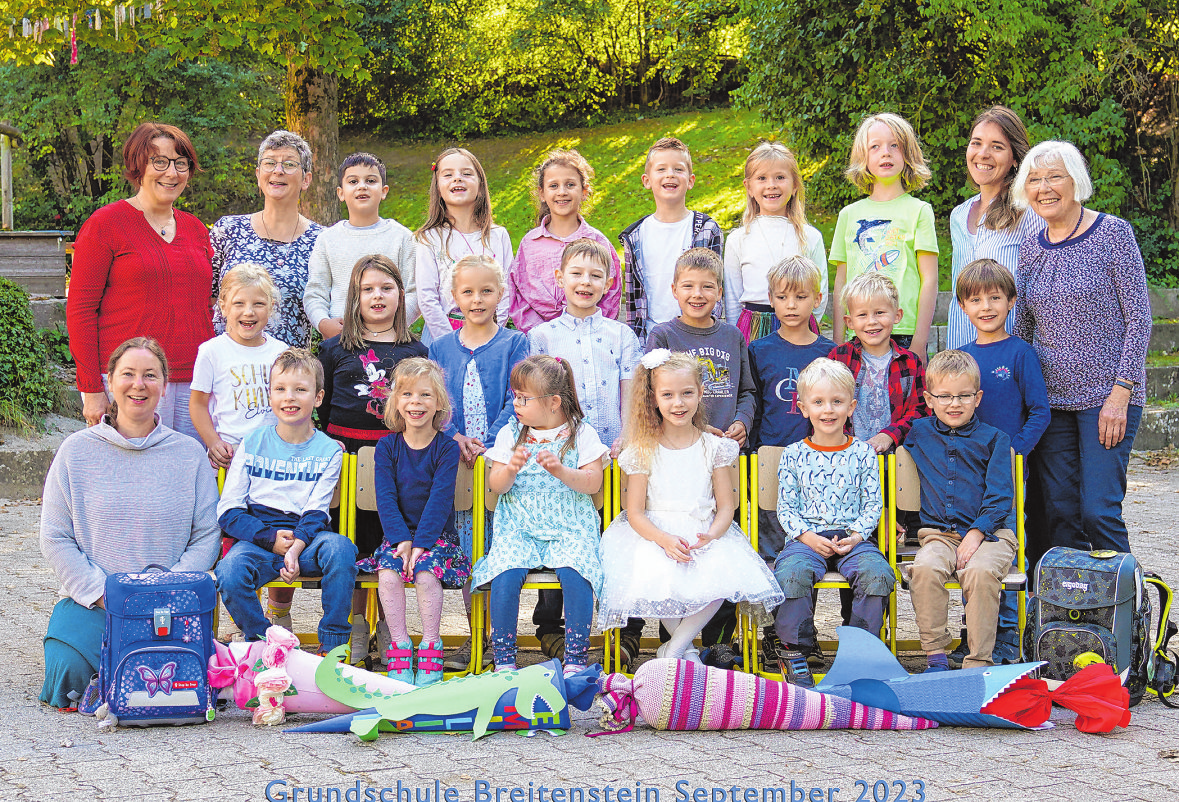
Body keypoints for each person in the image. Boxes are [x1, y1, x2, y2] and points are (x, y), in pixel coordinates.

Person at [40, 338, 220, 709]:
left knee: (179, 683)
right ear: (109, 382)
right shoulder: (76, 450)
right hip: (96, 603)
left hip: (168, 605)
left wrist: (169, 589)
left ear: (165, 386)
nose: (139, 384)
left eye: (150, 375)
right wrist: (102, 592)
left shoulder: (189, 454)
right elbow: (55, 537)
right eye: (128, 374)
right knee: (69, 675)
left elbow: (206, 535)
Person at [1013, 140, 1150, 564]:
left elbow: (1139, 320)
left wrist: (1121, 392)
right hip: (1052, 404)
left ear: (1077, 182)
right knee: (1061, 516)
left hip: (1107, 400)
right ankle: (1074, 616)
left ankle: (1131, 614)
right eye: (1034, 179)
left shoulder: (1113, 234)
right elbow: (1024, 326)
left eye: (1055, 176)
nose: (1044, 187)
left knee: (1099, 511)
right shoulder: (1031, 247)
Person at [598, 350, 784, 663]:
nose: (678, 403)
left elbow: (727, 506)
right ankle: (683, 651)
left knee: (720, 579)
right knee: (654, 577)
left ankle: (673, 651)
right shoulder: (643, 450)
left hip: (703, 532)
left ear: (700, 393)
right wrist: (664, 540)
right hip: (653, 535)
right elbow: (635, 513)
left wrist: (711, 536)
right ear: (654, 398)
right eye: (667, 395)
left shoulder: (714, 447)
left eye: (687, 393)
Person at [527, 238, 641, 666]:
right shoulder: (541, 336)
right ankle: (551, 629)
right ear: (560, 278)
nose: (585, 282)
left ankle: (627, 628)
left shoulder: (621, 335)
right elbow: (536, 396)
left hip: (613, 452)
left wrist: (628, 437)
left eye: (596, 275)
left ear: (609, 283)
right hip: (563, 454)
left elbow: (632, 390)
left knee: (621, 535)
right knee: (561, 534)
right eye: (576, 273)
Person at [67, 122, 212, 439]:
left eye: (180, 163)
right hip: (133, 383)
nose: (171, 173)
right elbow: (80, 311)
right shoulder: (105, 225)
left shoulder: (197, 230)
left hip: (196, 383)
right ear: (138, 166)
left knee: (189, 479)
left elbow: (208, 306)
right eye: (159, 162)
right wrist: (91, 388)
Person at [317, 254, 428, 659]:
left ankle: (386, 624)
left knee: (385, 546)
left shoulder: (414, 351)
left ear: (401, 296)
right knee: (352, 544)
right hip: (345, 457)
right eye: (368, 289)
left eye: (386, 288)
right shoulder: (333, 349)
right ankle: (356, 626)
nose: (377, 296)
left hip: (393, 459)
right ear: (354, 297)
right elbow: (323, 408)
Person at [470, 356, 609, 677]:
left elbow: (593, 483)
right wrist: (510, 468)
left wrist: (561, 470)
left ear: (554, 402)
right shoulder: (511, 433)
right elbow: (497, 486)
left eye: (524, 398)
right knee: (505, 575)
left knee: (577, 574)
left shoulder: (580, 433)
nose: (516, 404)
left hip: (569, 525)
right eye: (515, 396)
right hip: (519, 525)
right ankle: (504, 657)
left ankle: (575, 656)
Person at [214, 348, 356, 654]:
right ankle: (267, 645)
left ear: (318, 397)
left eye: (300, 390)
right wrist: (270, 540)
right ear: (270, 395)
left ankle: (333, 647)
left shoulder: (329, 450)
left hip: (308, 539)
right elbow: (228, 510)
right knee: (229, 571)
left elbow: (318, 510)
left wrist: (296, 547)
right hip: (259, 539)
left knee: (341, 549)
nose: (289, 397)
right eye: (280, 389)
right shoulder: (253, 442)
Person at [428, 254, 529, 670]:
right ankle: (476, 637)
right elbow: (434, 399)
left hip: (499, 459)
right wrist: (456, 437)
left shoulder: (515, 343)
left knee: (497, 546)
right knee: (468, 546)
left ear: (500, 294)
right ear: (454, 297)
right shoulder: (439, 347)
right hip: (455, 462)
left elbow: (517, 399)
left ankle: (500, 636)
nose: (477, 299)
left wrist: (490, 443)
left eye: (486, 291)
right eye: (467, 292)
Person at [772, 358, 892, 687]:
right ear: (803, 407)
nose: (828, 410)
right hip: (805, 539)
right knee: (791, 573)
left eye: (837, 402)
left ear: (851, 407)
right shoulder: (794, 454)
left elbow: (872, 502)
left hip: (853, 540)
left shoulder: (864, 454)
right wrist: (807, 537)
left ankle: (861, 650)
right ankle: (794, 649)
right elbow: (786, 507)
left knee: (877, 573)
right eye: (819, 402)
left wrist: (857, 536)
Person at [955, 258, 1050, 664]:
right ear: (963, 307)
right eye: (976, 300)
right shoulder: (960, 356)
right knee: (967, 550)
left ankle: (1008, 632)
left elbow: (1039, 411)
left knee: (1006, 548)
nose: (986, 307)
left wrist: (1014, 454)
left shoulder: (1020, 353)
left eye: (995, 298)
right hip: (966, 475)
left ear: (1011, 301)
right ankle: (974, 628)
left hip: (1007, 476)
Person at [360, 358, 471, 686]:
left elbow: (439, 503)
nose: (416, 402)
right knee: (389, 577)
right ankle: (399, 645)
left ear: (439, 402)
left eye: (425, 395)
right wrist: (402, 542)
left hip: (436, 538)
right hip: (397, 537)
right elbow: (386, 500)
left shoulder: (446, 449)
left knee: (424, 574)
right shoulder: (387, 447)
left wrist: (419, 544)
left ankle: (431, 645)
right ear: (395, 401)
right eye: (407, 394)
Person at [906, 350, 1018, 672]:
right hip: (939, 535)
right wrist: (900, 521)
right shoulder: (919, 433)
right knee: (924, 568)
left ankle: (978, 662)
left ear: (977, 397)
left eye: (963, 396)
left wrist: (976, 533)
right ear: (929, 398)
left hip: (992, 535)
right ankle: (935, 656)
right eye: (944, 396)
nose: (954, 404)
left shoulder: (995, 439)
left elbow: (1000, 497)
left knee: (980, 573)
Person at [749, 255, 838, 557]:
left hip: (817, 461)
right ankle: (776, 605)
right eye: (782, 297)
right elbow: (755, 405)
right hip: (772, 457)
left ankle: (806, 604)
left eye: (800, 297)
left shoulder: (830, 353)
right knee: (772, 543)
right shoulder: (759, 350)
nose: (791, 305)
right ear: (771, 300)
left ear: (817, 299)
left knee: (812, 545)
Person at [831, 113, 938, 362]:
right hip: (859, 332)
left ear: (907, 154)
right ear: (863, 157)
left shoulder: (919, 211)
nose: (886, 153)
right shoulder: (848, 215)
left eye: (894, 146)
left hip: (905, 332)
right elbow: (841, 283)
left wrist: (920, 342)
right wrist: (838, 342)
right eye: (875, 146)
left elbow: (930, 279)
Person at [210, 130, 322, 349]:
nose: (278, 171)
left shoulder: (321, 240)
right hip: (230, 369)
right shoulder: (228, 230)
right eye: (270, 163)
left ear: (306, 179)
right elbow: (208, 299)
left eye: (289, 164)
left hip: (290, 374)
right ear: (258, 174)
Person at [947, 107, 1044, 350]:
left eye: (997, 146)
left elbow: (1040, 294)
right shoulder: (958, 215)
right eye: (976, 143)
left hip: (1009, 353)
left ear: (1014, 159)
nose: (983, 154)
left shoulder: (1028, 212)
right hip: (961, 350)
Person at [646, 248, 756, 450]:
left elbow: (747, 391)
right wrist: (694, 428)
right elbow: (650, 395)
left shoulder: (733, 337)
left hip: (728, 446)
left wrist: (742, 422)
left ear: (719, 292)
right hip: (679, 446)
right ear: (674, 290)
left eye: (707, 287)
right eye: (688, 286)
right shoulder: (663, 337)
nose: (697, 294)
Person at [304, 152, 420, 340]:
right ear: (340, 193)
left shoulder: (402, 238)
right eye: (353, 181)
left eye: (371, 180)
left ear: (384, 191)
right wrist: (323, 323)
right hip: (340, 341)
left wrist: (390, 327)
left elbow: (414, 291)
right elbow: (315, 292)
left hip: (389, 341)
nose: (362, 186)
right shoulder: (327, 239)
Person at [618, 136, 724, 341]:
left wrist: (709, 335)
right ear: (646, 180)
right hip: (652, 336)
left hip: (696, 333)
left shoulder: (707, 229)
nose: (670, 175)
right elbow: (633, 298)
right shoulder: (635, 236)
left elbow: (716, 287)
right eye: (661, 169)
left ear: (690, 180)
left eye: (678, 169)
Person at [506, 149, 621, 332]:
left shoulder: (599, 242)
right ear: (542, 193)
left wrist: (593, 331)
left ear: (584, 192)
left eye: (570, 184)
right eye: (553, 186)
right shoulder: (530, 244)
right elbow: (519, 296)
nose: (562, 192)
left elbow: (611, 294)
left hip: (591, 337)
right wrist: (542, 334)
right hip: (542, 343)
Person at [724, 142, 828, 342]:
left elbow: (819, 289)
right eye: (762, 178)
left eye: (780, 177)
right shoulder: (738, 239)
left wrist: (803, 325)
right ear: (749, 187)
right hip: (753, 329)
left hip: (799, 326)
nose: (771, 185)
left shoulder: (810, 236)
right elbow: (732, 298)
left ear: (795, 184)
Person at [190, 263, 290, 470]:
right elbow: (198, 404)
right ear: (224, 306)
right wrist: (213, 442)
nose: (249, 312)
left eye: (259, 304)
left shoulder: (281, 352)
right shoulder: (211, 351)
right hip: (229, 455)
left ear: (271, 306)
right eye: (239, 303)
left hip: (273, 454)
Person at [415, 147, 514, 344]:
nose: (457, 178)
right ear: (437, 187)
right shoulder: (430, 238)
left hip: (490, 334)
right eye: (448, 174)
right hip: (442, 337)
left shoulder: (498, 236)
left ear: (480, 183)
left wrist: (493, 334)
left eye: (466, 173)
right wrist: (450, 343)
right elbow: (427, 298)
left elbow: (507, 289)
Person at [829, 272, 928, 455]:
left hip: (897, 460)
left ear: (897, 315)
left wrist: (889, 435)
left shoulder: (911, 363)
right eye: (862, 315)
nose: (872, 322)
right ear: (849, 322)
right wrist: (843, 440)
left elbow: (921, 411)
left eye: (880, 313)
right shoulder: (839, 359)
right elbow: (826, 407)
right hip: (847, 458)